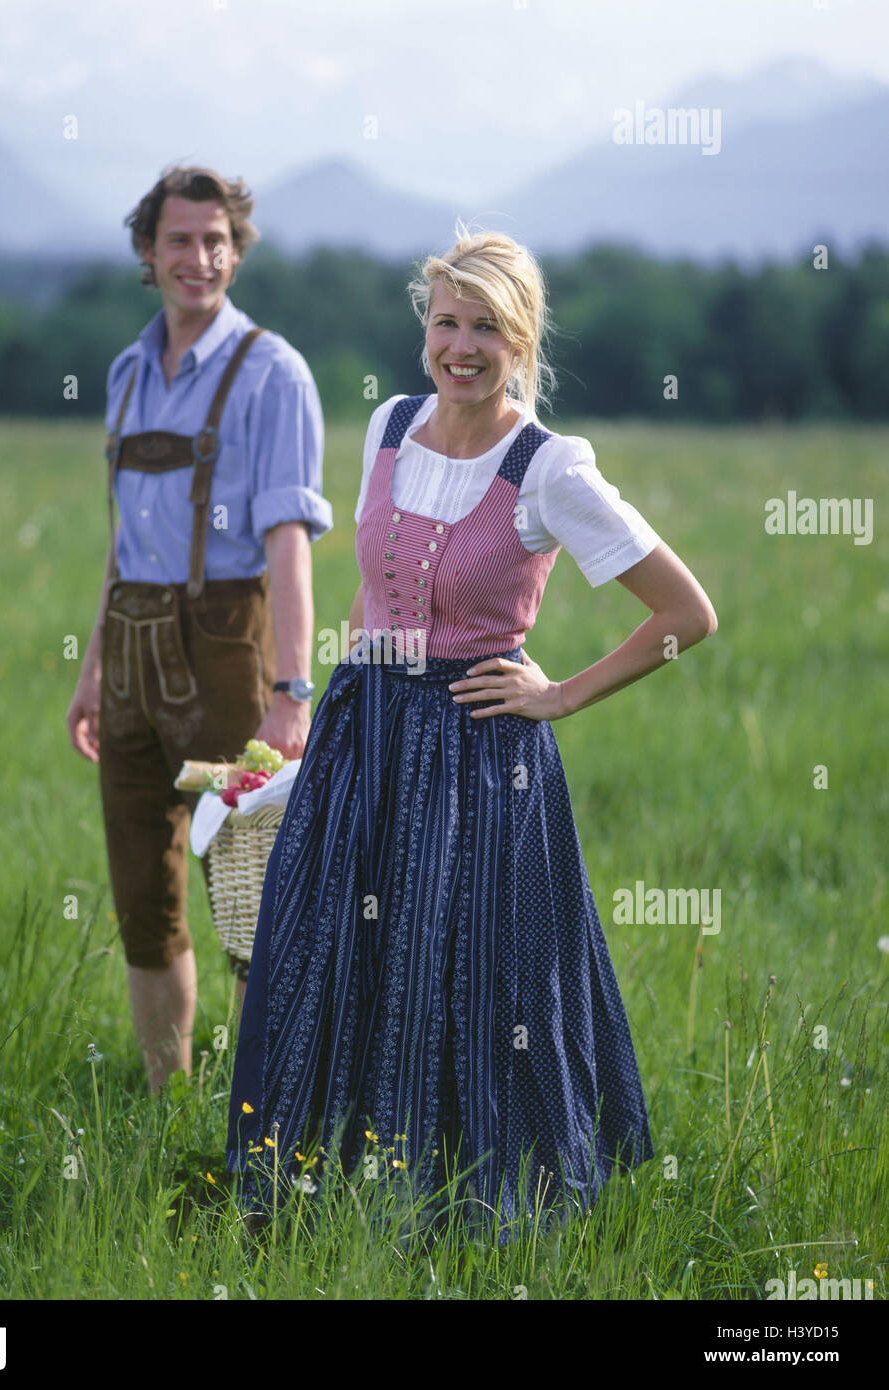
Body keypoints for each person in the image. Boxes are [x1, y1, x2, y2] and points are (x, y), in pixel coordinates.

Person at [225, 224, 718, 1241]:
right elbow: (367, 595)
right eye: (445, 322)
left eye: (485, 326)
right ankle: (317, 1186)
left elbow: (685, 614)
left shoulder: (549, 469)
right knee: (330, 952)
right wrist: (323, 723)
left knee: (474, 971)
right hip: (362, 728)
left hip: (476, 748)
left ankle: (479, 1206)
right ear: (424, 330)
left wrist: (560, 695)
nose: (460, 344)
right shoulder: (389, 426)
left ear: (519, 339)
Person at [66, 166, 330, 1093]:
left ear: (236, 249)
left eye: (217, 240)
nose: (200, 258)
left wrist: (291, 692)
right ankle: (164, 1098)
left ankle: (268, 1115)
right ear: (149, 250)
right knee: (145, 899)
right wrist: (94, 665)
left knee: (250, 906)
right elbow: (123, 540)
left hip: (227, 652)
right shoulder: (129, 370)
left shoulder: (274, 371)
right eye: (180, 240)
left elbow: (289, 541)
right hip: (132, 648)